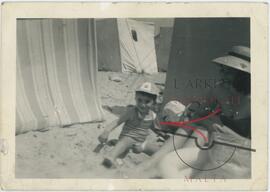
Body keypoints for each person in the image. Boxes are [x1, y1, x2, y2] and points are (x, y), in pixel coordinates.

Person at [137, 46, 251, 179]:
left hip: (233, 154)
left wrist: (215, 125)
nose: (222, 75)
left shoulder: (254, 102)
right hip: (213, 138)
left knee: (200, 131)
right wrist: (208, 122)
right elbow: (199, 115)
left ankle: (159, 163)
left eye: (228, 72)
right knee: (196, 127)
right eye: (222, 70)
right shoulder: (219, 90)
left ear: (242, 75)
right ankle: (152, 163)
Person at [98, 81, 159, 168]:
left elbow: (153, 128)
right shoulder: (131, 112)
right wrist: (106, 131)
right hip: (128, 138)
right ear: (135, 98)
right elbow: (117, 122)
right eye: (139, 100)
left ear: (154, 102)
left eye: (147, 101)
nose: (142, 104)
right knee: (124, 142)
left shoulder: (152, 115)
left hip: (140, 143)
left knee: (158, 151)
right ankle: (110, 157)